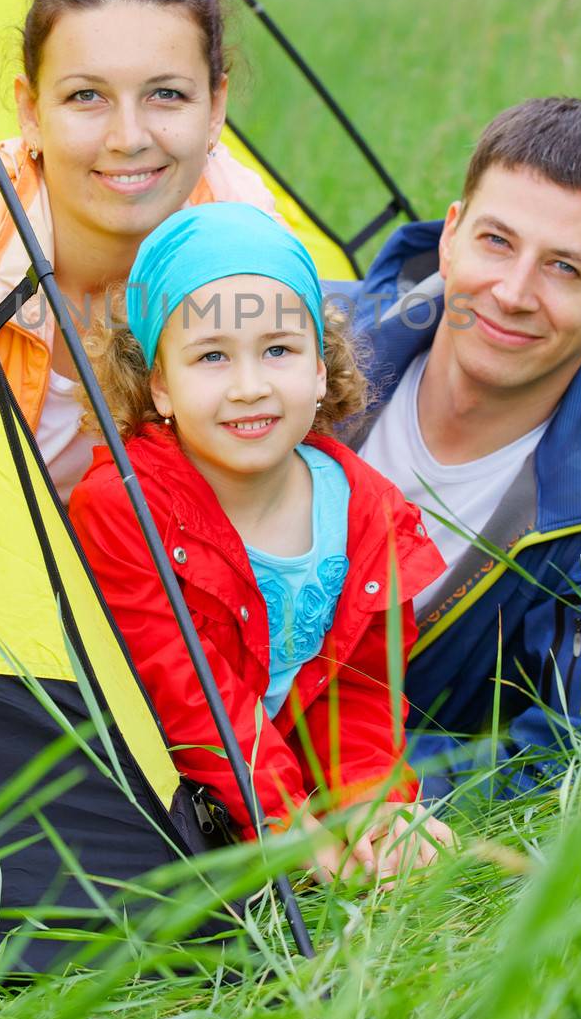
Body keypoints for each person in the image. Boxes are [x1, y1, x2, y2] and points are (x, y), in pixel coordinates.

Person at [68, 203, 457, 882]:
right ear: (160, 383)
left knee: (404, 839)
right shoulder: (124, 508)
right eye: (211, 356)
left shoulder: (366, 512)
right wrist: (281, 819)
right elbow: (185, 691)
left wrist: (371, 802)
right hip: (143, 785)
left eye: (278, 349)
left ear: (317, 368)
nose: (250, 387)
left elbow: (358, 691)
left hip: (272, 765)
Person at [331, 97, 581, 801]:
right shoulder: (301, 342)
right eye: (496, 241)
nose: (511, 292)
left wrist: (374, 790)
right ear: (450, 237)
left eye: (565, 268)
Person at [0, 0, 276, 501]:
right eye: (87, 96)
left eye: (165, 94)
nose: (129, 137)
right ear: (31, 113)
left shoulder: (245, 237)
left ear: (215, 108)